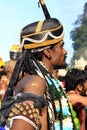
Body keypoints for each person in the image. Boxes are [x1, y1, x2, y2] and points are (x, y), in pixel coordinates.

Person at [0, 1, 80, 130]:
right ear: (48, 52)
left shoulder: (42, 81)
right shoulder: (35, 82)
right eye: (61, 46)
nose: (65, 52)